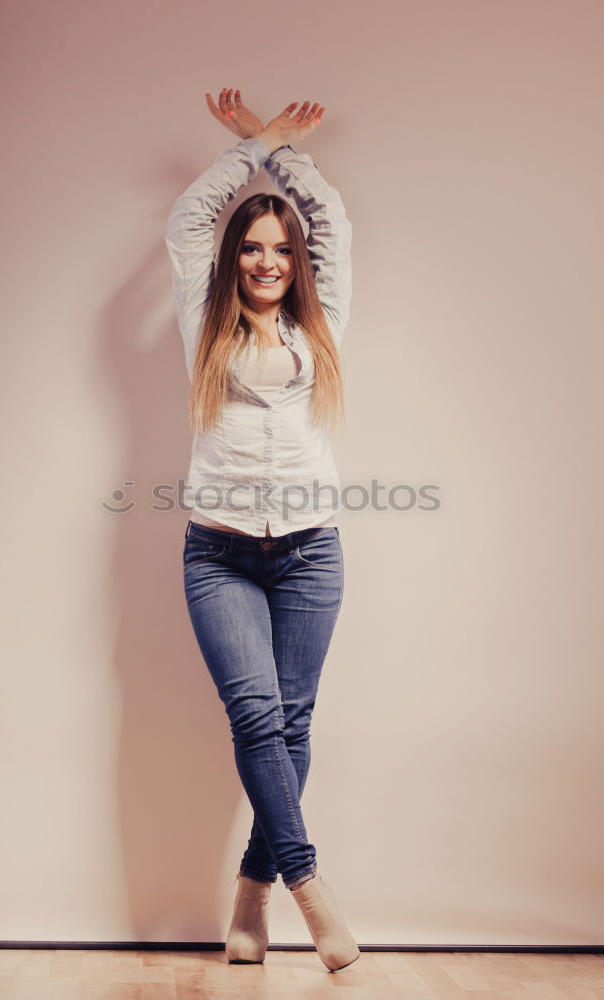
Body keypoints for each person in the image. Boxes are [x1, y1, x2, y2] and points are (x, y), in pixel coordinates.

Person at [164, 87, 359, 973]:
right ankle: (313, 892)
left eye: (281, 248)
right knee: (256, 715)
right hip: (220, 551)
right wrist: (258, 146)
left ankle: (252, 893)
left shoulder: (324, 328)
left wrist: (280, 153)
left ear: (299, 261)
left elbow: (332, 221)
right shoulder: (201, 324)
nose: (267, 259)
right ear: (232, 258)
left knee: (294, 721)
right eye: (251, 246)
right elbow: (188, 218)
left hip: (312, 548)